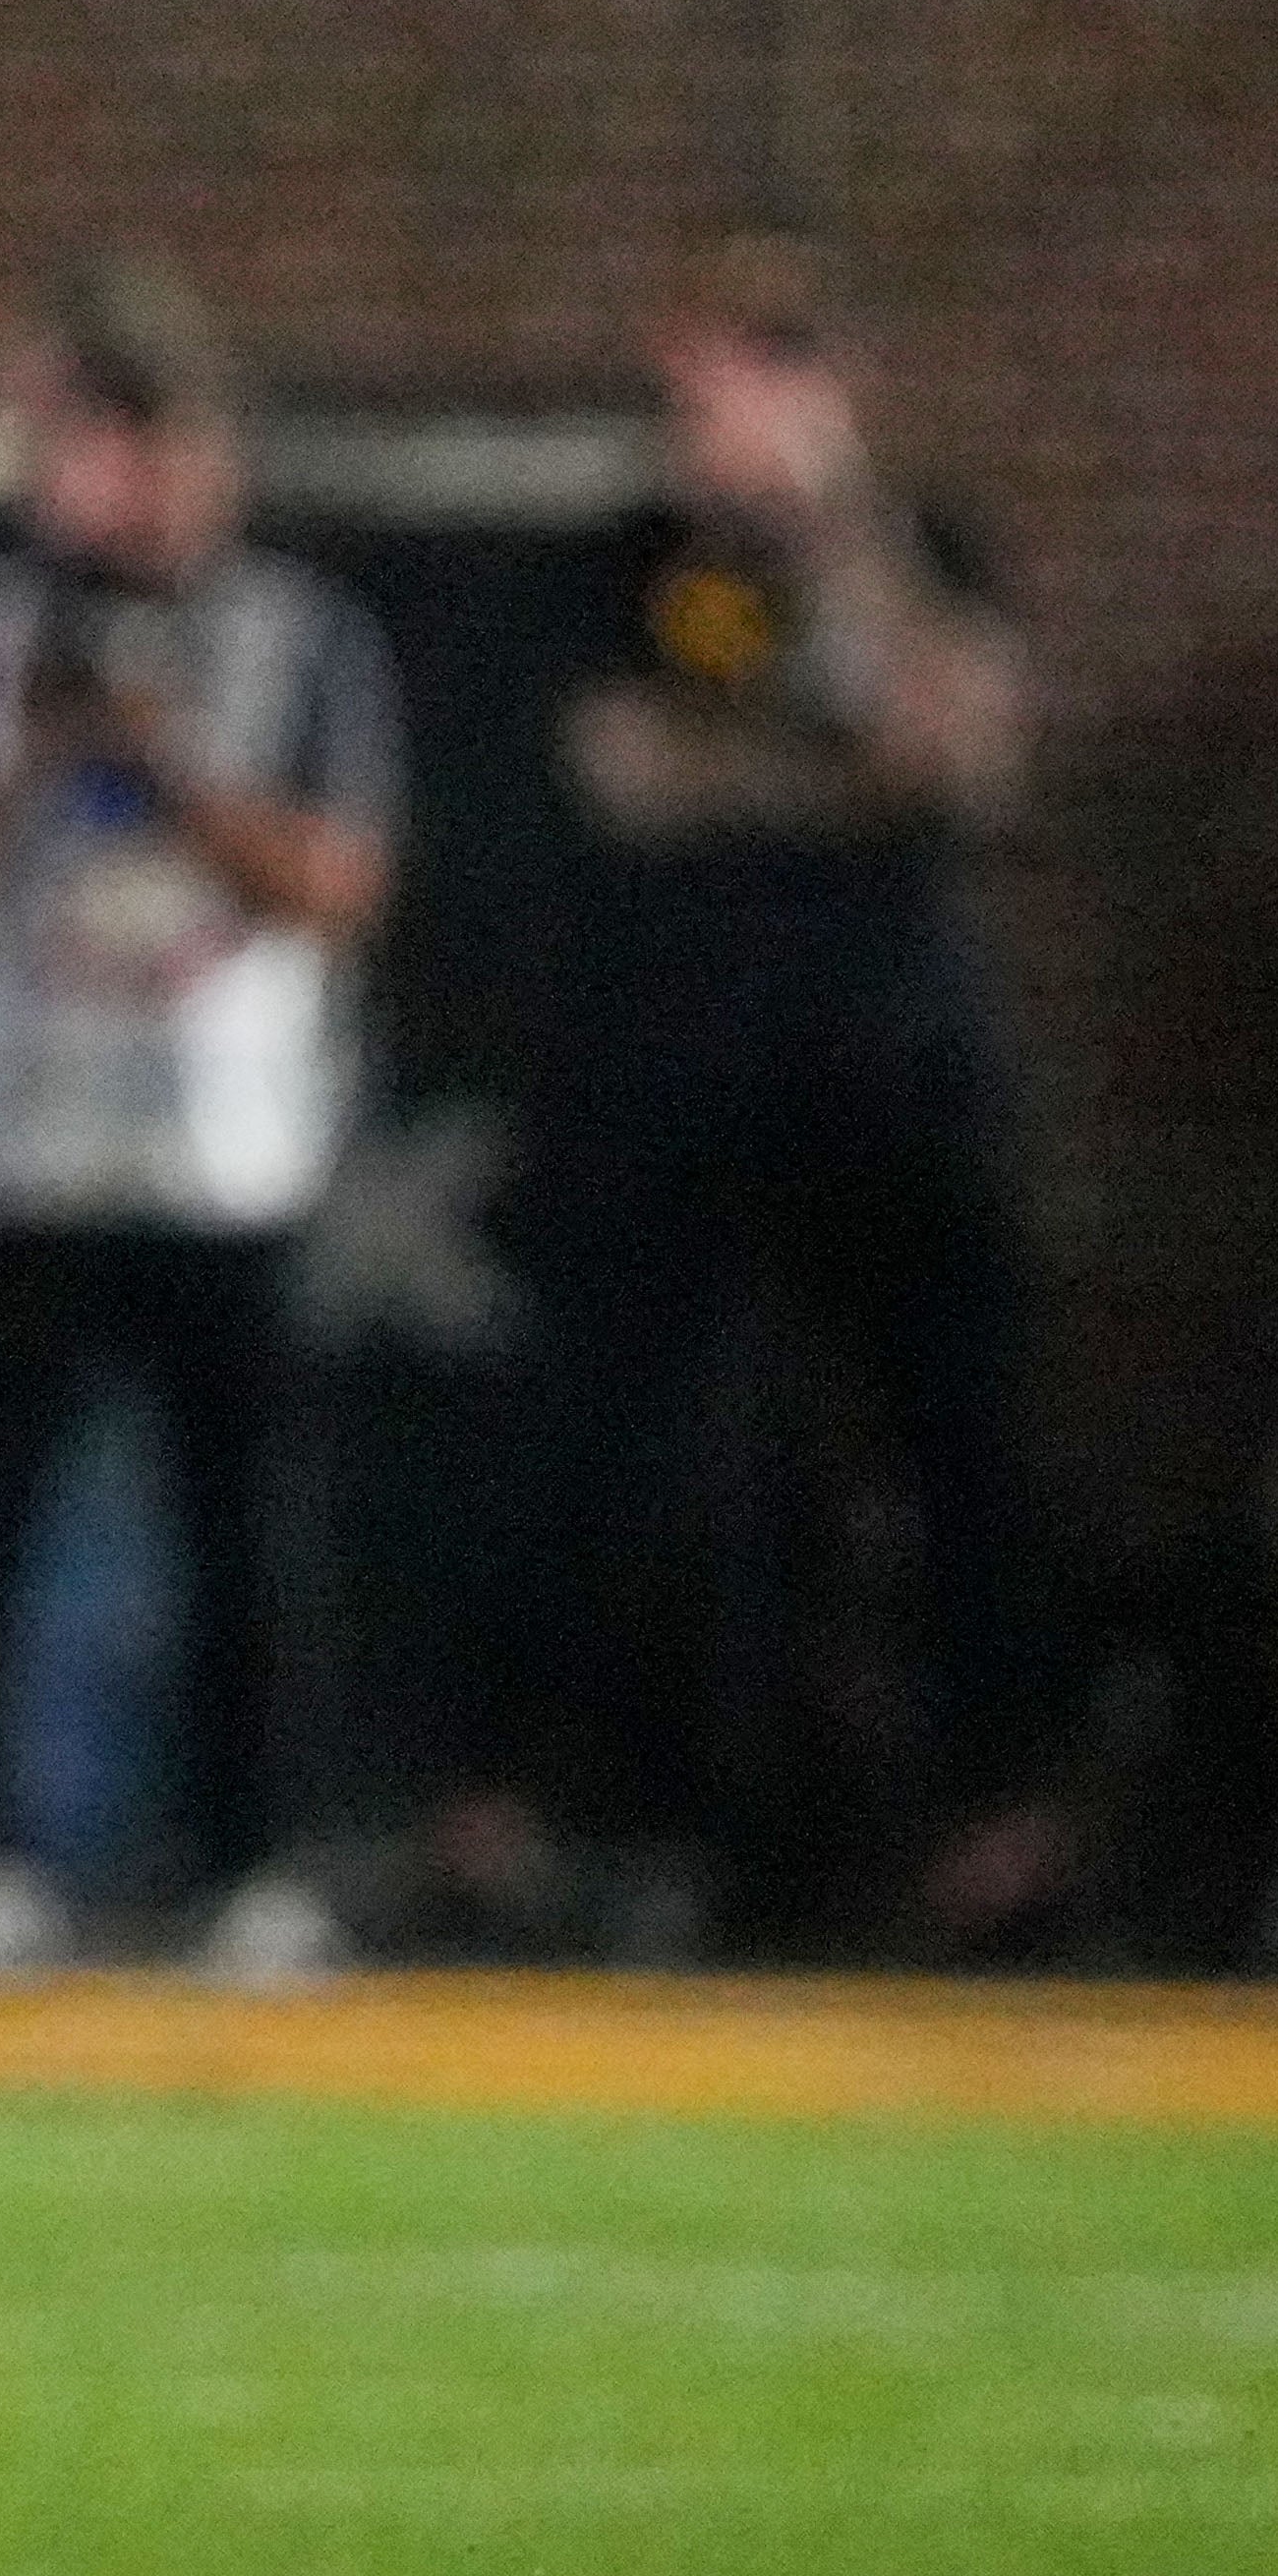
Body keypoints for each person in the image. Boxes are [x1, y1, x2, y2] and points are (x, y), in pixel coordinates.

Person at [433, 240, 1049, 1954]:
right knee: (602, 1441)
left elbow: (959, 757)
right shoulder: (626, 565)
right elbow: (626, 773)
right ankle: (531, 1804)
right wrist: (827, 769)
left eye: (758, 367)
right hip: (664, 1067)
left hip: (886, 1069)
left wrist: (831, 542)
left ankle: (992, 1818)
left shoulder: (917, 547)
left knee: (950, 1437)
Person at [0, 258, 397, 1982]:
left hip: (216, 1150)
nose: (124, 487)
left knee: (239, 1524)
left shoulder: (301, 638)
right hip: (17, 1139)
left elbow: (331, 885)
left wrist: (168, 767)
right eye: (91, 448)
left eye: (154, 444)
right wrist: (27, 759)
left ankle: (248, 1859)